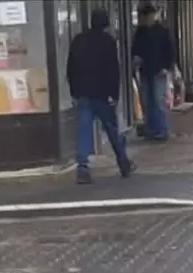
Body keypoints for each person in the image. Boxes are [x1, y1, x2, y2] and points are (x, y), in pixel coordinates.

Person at [66, 9, 134, 185]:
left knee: (84, 131)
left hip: (83, 93)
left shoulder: (78, 40)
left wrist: (74, 91)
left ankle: (83, 167)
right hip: (102, 94)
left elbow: (70, 68)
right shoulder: (108, 41)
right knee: (112, 129)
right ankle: (123, 162)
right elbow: (113, 69)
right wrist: (115, 94)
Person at [131, 3, 176, 141]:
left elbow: (171, 51)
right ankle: (151, 129)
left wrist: (167, 67)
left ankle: (162, 130)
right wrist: (136, 59)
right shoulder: (140, 32)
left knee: (158, 100)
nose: (143, 20)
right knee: (147, 101)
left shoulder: (162, 31)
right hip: (145, 71)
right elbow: (135, 49)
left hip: (159, 71)